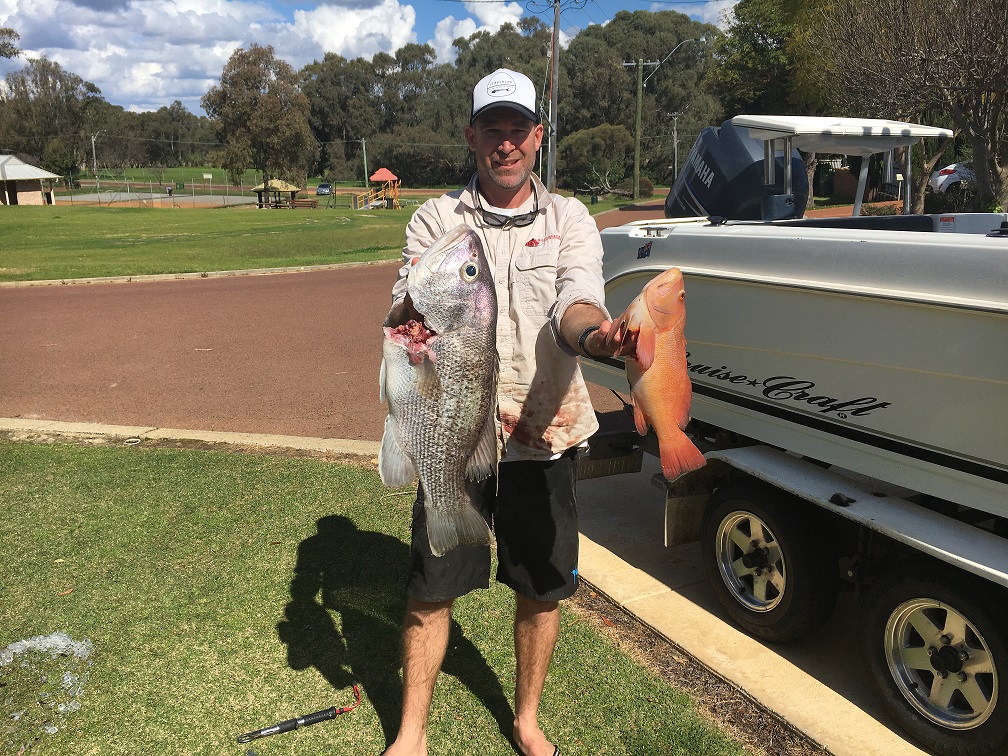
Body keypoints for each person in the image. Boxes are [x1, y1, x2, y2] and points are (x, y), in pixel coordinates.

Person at [382, 68, 634, 756]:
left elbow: (576, 301)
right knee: (432, 587)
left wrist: (597, 336)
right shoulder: (437, 220)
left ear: (538, 136)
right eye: (491, 128)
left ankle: (525, 719)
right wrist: (409, 320)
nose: (505, 142)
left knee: (541, 588)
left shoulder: (569, 219)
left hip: (543, 431)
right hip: (454, 433)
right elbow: (407, 308)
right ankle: (412, 731)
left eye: (517, 128)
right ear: (471, 136)